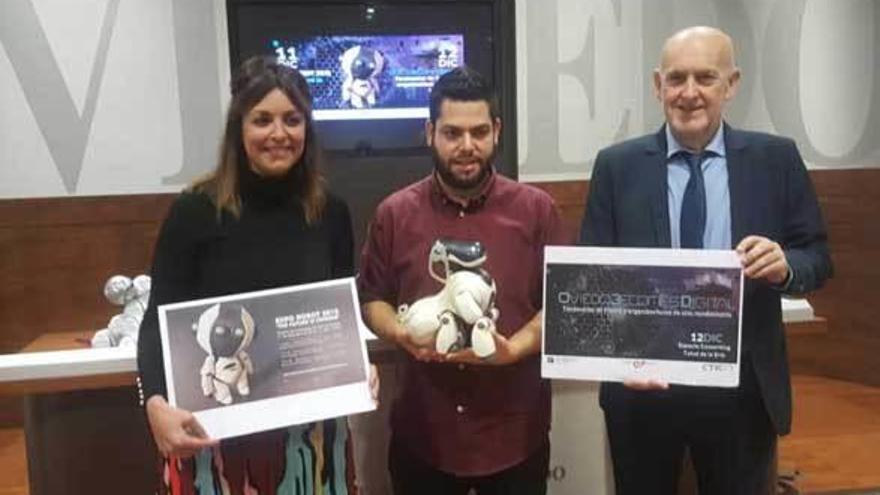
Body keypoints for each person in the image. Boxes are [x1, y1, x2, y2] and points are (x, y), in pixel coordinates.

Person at [579, 26, 833, 494]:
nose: (689, 93)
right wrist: (618, 362)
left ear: (731, 84)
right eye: (676, 79)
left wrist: (786, 265)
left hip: (743, 390)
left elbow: (817, 256)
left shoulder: (775, 159)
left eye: (705, 78)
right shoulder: (616, 166)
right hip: (644, 390)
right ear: (658, 85)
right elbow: (594, 281)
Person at [137, 56, 376, 494]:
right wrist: (153, 402)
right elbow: (156, 320)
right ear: (238, 129)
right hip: (214, 437)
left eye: (292, 119)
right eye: (262, 120)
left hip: (310, 440)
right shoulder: (194, 211)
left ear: (307, 128)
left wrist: (359, 364)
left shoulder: (331, 213)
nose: (279, 134)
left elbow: (341, 315)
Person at [358, 66, 566, 495]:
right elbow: (372, 297)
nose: (467, 146)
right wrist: (401, 332)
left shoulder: (537, 211)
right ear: (429, 132)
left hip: (514, 436)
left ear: (497, 131)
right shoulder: (394, 214)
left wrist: (513, 351)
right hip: (424, 436)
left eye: (478, 132)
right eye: (452, 133)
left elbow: (561, 305)